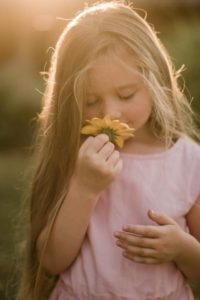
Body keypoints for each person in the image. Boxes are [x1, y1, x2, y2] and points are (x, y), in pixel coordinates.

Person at [17, 1, 200, 299]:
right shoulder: (79, 153)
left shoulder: (188, 161)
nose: (110, 113)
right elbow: (51, 262)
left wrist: (182, 248)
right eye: (90, 101)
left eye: (126, 94)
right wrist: (85, 187)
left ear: (155, 81)